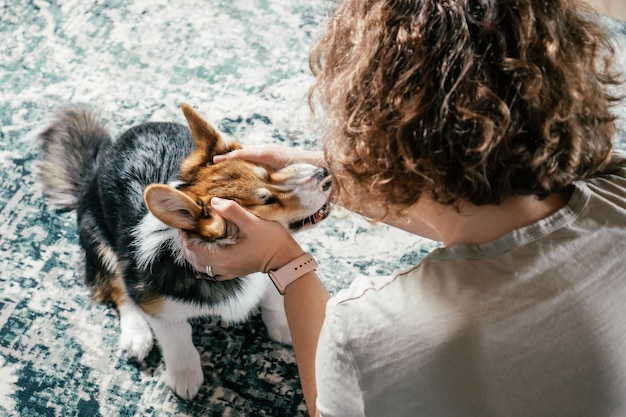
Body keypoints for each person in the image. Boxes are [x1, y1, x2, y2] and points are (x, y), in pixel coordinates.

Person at [183, 0, 626, 415]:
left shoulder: (368, 331)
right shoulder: (616, 186)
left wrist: (285, 264)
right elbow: (491, 210)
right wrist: (323, 173)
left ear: (373, 129)